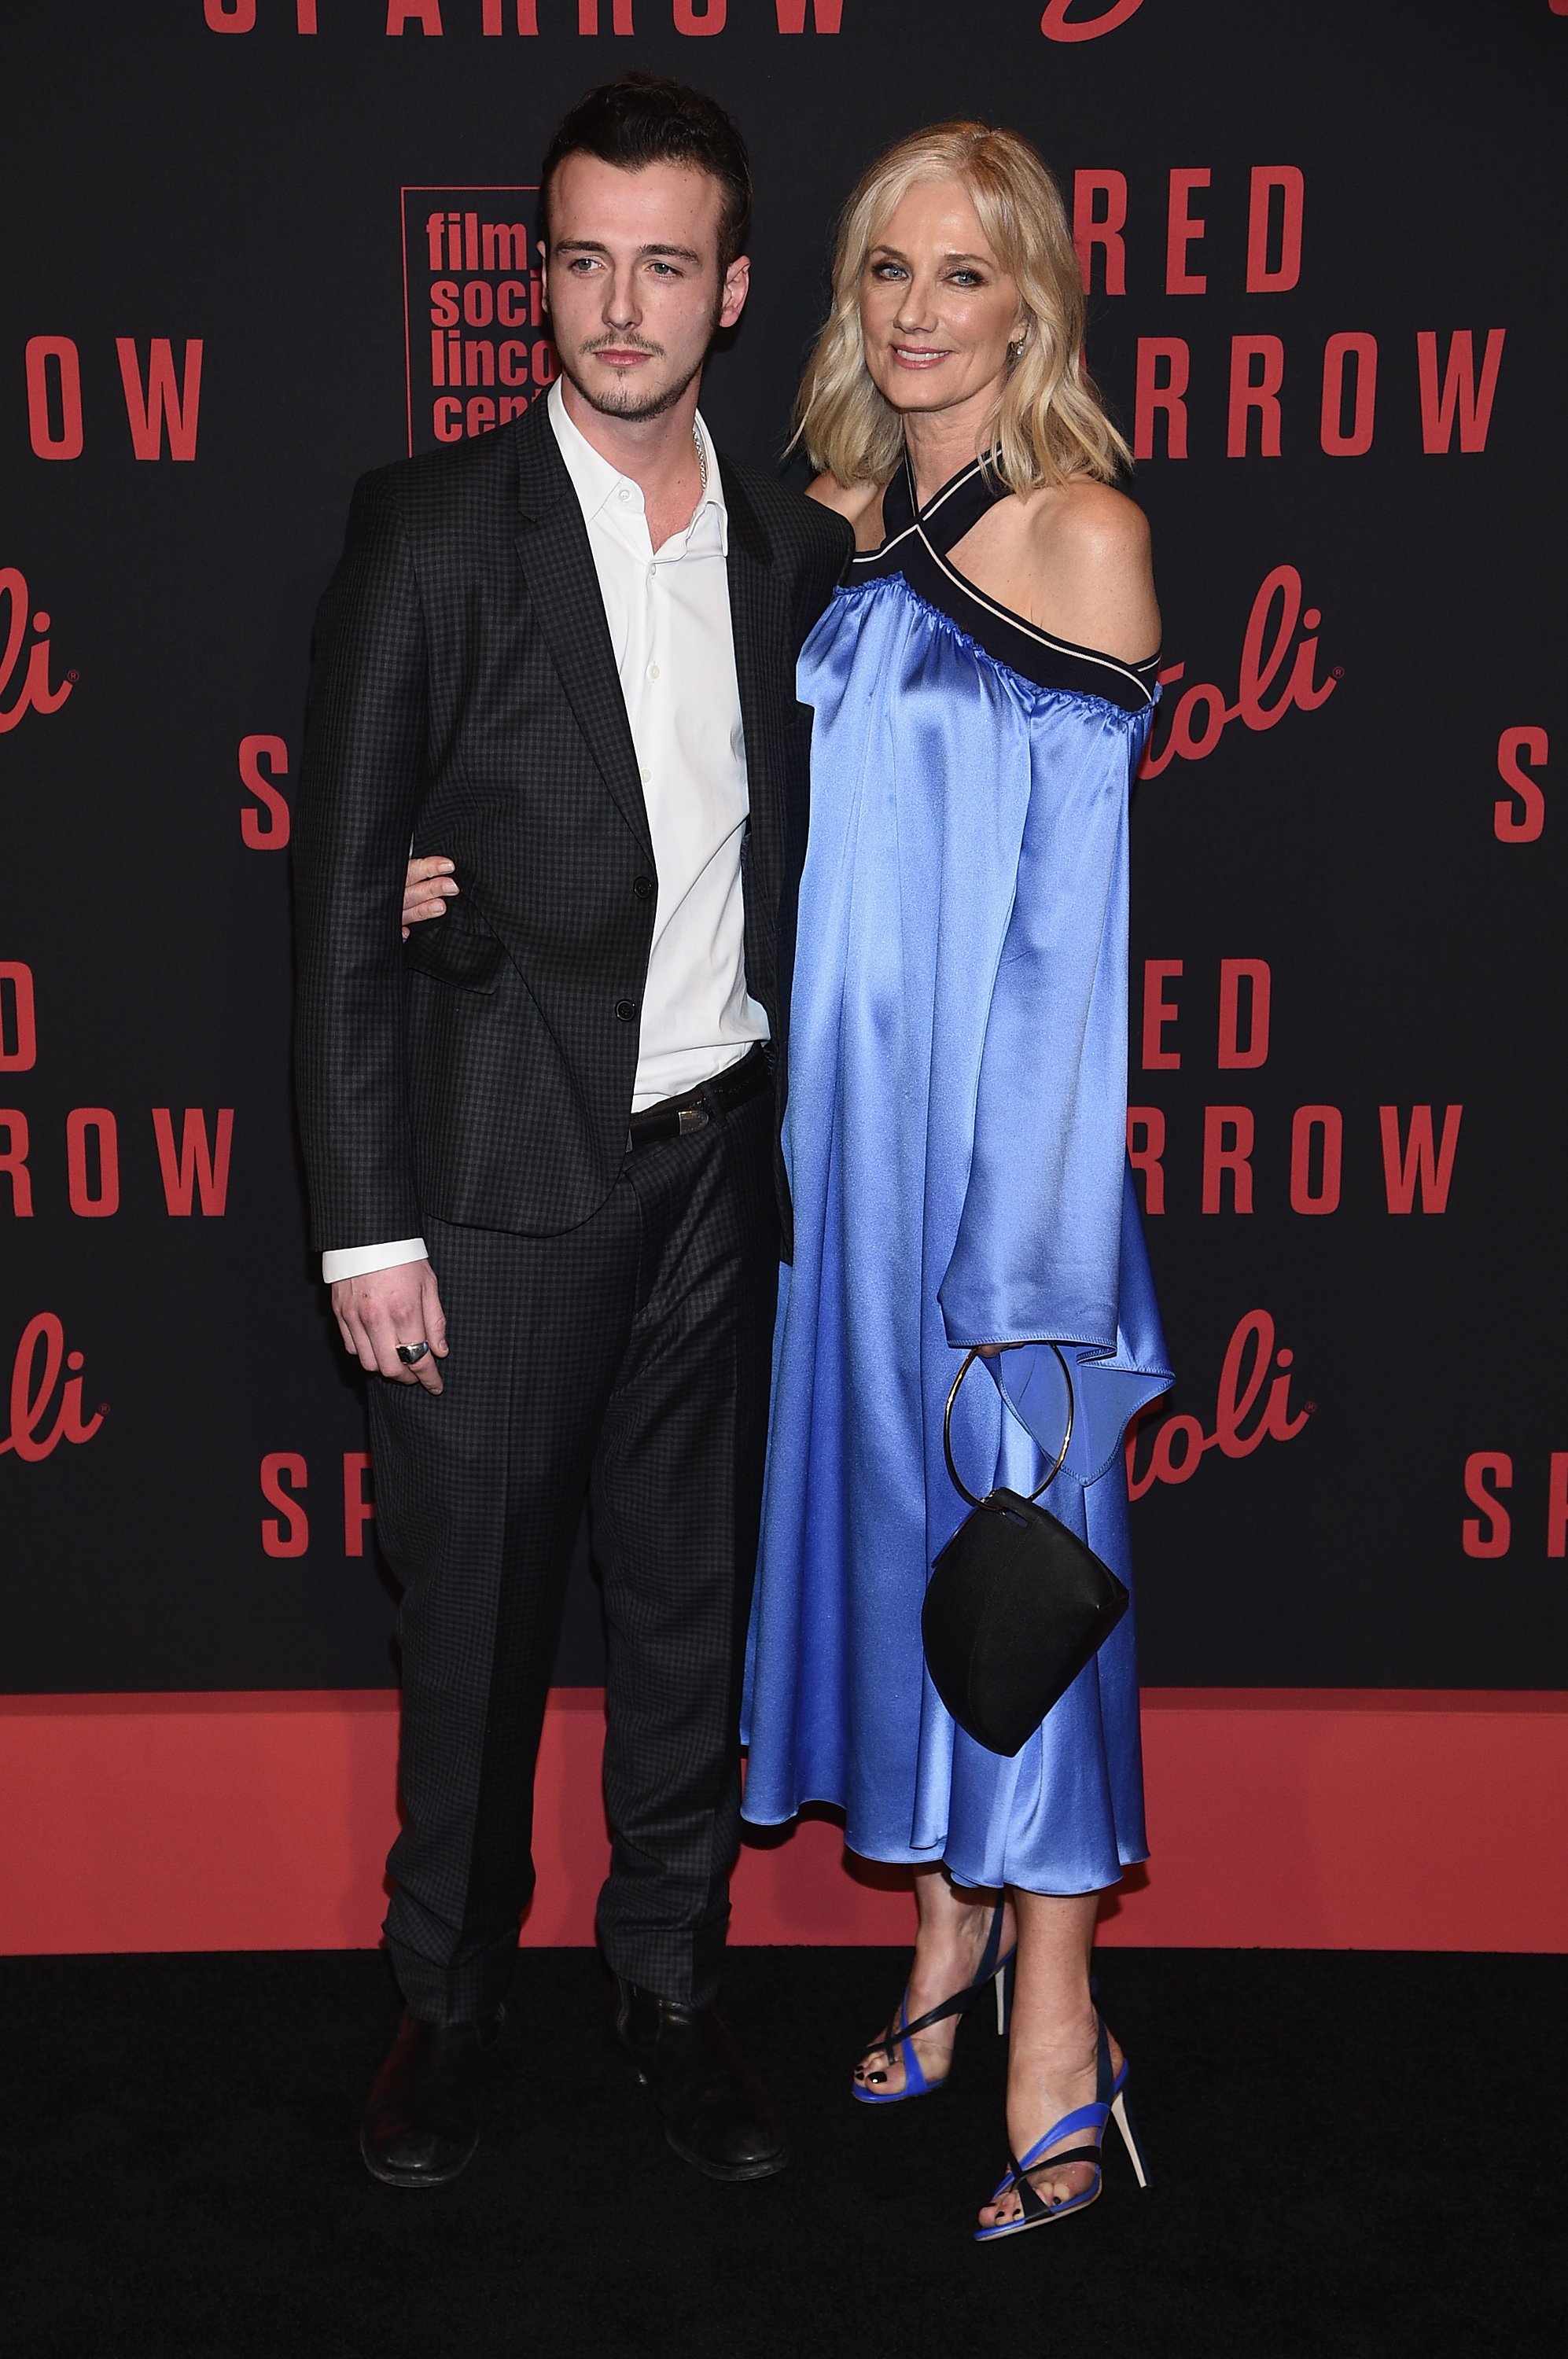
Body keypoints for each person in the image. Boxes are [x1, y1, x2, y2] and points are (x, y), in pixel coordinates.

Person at [295, 72, 850, 2192]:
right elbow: (344, 899)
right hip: (497, 1193)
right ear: (541, 274)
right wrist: (369, 1234)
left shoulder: (791, 542)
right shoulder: (431, 528)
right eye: (582, 259)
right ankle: (442, 2006)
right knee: (478, 1632)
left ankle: (672, 1990)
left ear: (727, 290)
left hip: (717, 1167)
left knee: (685, 1614)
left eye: (663, 265)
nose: (618, 308)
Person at [738, 122, 1172, 2240]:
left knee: (1021, 1579)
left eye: (960, 278)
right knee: (895, 1564)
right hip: (843, 1171)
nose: (916, 311)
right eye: (886, 273)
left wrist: (1028, 1266)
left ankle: (1056, 2023)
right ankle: (939, 1927)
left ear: (1032, 304)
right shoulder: (844, 520)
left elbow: (1067, 941)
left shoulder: (1082, 533)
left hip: (1002, 1198)